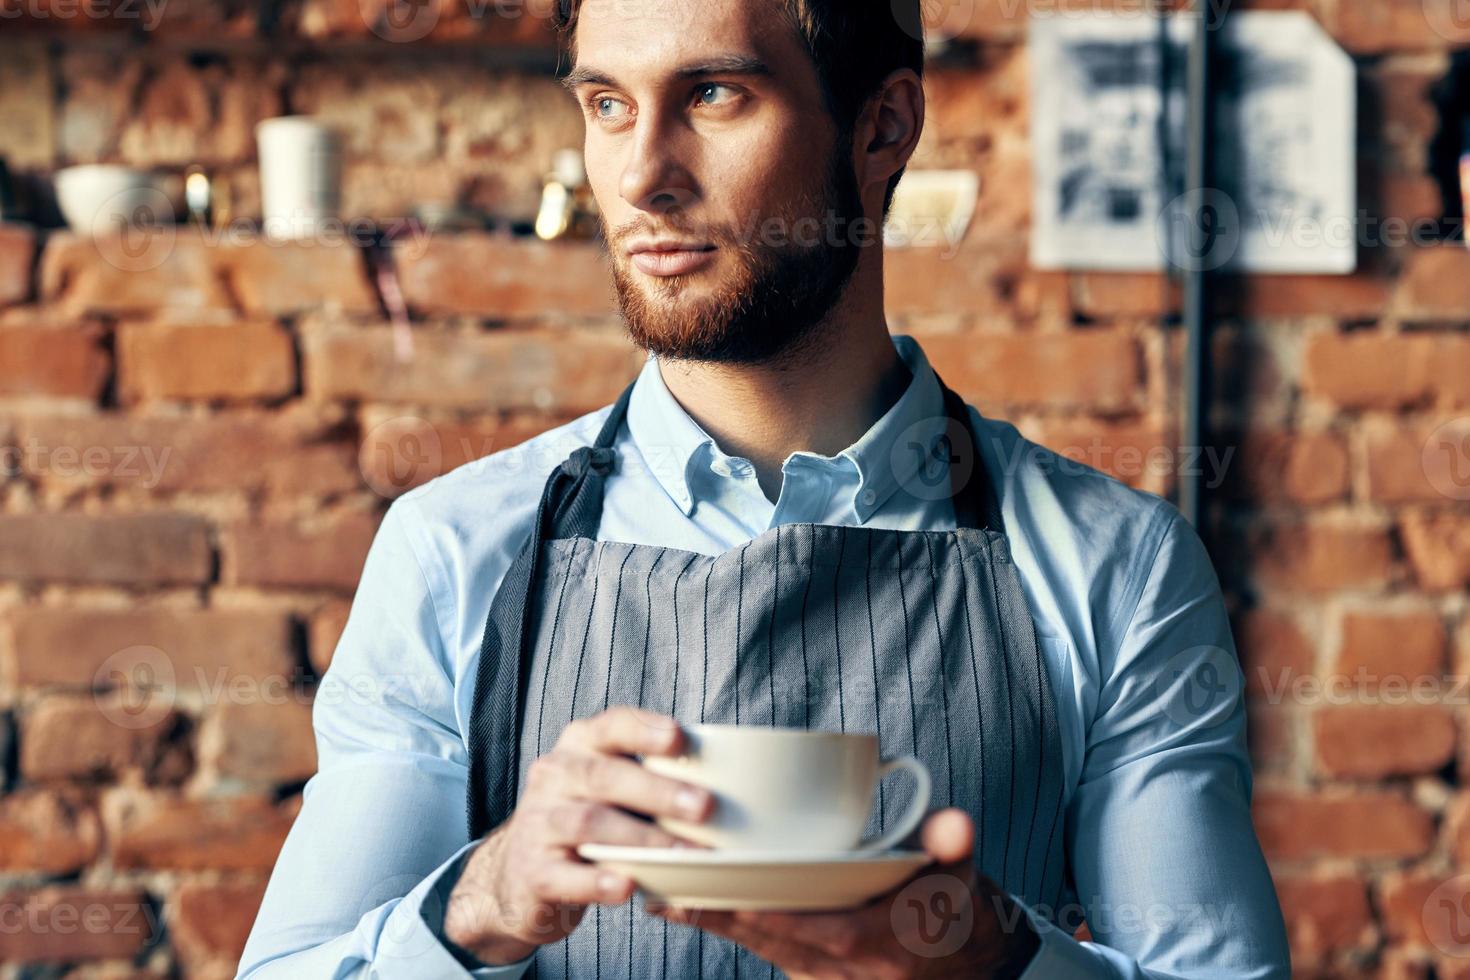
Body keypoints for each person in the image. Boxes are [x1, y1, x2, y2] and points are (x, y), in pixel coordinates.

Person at [237, 1, 1290, 977]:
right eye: (607, 104)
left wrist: (988, 953)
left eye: (713, 96)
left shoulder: (1120, 565)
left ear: (883, 129)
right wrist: (482, 900)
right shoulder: (452, 549)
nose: (643, 175)